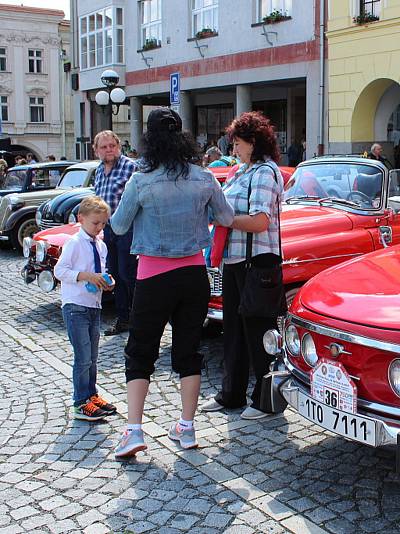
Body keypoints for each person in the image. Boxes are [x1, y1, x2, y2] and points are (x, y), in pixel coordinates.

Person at [111, 107, 234, 457]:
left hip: (153, 275)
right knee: (188, 350)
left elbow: (119, 226)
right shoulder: (204, 176)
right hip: (194, 274)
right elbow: (224, 216)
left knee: (140, 351)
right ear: (183, 138)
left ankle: (134, 431)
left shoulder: (141, 178)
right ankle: (187, 427)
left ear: (149, 139)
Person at [200, 111, 284, 420]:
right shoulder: (240, 172)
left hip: (257, 262)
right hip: (235, 260)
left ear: (253, 141)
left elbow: (261, 221)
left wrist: (226, 219)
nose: (233, 148)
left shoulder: (265, 172)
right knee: (233, 331)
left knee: (259, 333)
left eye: (238, 142)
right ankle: (230, 395)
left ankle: (266, 401)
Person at [53, 196, 118, 421]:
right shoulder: (74, 242)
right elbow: (60, 271)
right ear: (81, 219)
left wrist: (106, 282)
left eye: (103, 224)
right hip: (75, 306)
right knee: (82, 356)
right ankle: (80, 401)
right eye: (95, 223)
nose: (99, 228)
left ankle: (91, 394)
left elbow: (101, 269)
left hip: (93, 305)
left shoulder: (100, 244)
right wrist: (85, 276)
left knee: (92, 356)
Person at [92, 130, 138, 336]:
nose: (109, 150)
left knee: (130, 274)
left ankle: (139, 318)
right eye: (104, 147)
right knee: (115, 274)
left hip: (129, 229)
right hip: (108, 229)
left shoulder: (131, 167)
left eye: (112, 145)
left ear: (119, 146)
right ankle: (123, 319)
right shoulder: (99, 171)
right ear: (96, 151)